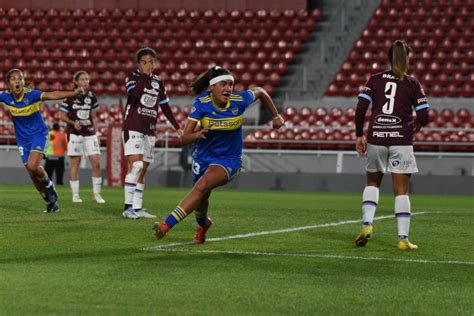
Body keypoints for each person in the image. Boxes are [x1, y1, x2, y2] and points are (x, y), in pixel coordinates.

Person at [152, 66, 285, 243]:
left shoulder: (239, 100)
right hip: (203, 158)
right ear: (212, 87)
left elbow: (260, 91)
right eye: (223, 84)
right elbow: (184, 139)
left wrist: (276, 115)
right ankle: (204, 224)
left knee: (203, 185)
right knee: (201, 200)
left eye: (231, 84)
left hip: (229, 160)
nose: (228, 89)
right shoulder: (201, 104)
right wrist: (198, 135)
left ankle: (166, 225)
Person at [354, 40, 430, 250]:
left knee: (372, 184)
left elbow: (361, 108)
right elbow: (425, 115)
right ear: (406, 59)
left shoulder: (375, 80)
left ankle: (367, 224)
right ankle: (403, 239)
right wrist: (418, 123)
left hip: (376, 137)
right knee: (401, 192)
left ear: (389, 58)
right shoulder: (413, 84)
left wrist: (359, 135)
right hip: (401, 140)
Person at [0, 68, 84, 213]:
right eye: (14, 79)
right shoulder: (6, 97)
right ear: (9, 84)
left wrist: (74, 93)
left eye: (20, 78)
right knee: (32, 174)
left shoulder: (31, 95)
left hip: (38, 134)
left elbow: (53, 94)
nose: (18, 81)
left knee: (33, 166)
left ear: (24, 81)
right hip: (22, 139)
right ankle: (50, 202)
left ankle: (50, 186)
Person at [122, 47, 183, 219]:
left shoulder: (158, 82)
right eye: (144, 62)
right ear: (138, 64)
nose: (148, 65)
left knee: (143, 170)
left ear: (155, 63)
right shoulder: (132, 77)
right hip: (132, 126)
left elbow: (165, 107)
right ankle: (127, 208)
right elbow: (134, 94)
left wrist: (177, 127)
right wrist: (144, 76)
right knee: (136, 166)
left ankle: (138, 207)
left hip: (149, 130)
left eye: (151, 62)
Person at [60, 70, 105, 204]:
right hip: (74, 133)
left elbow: (94, 117)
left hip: (90, 133)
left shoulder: (92, 97)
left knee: (97, 163)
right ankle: (75, 195)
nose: (86, 82)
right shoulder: (69, 97)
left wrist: (97, 133)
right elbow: (62, 116)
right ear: (76, 82)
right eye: (83, 79)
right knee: (76, 164)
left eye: (87, 79)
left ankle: (96, 194)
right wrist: (72, 122)